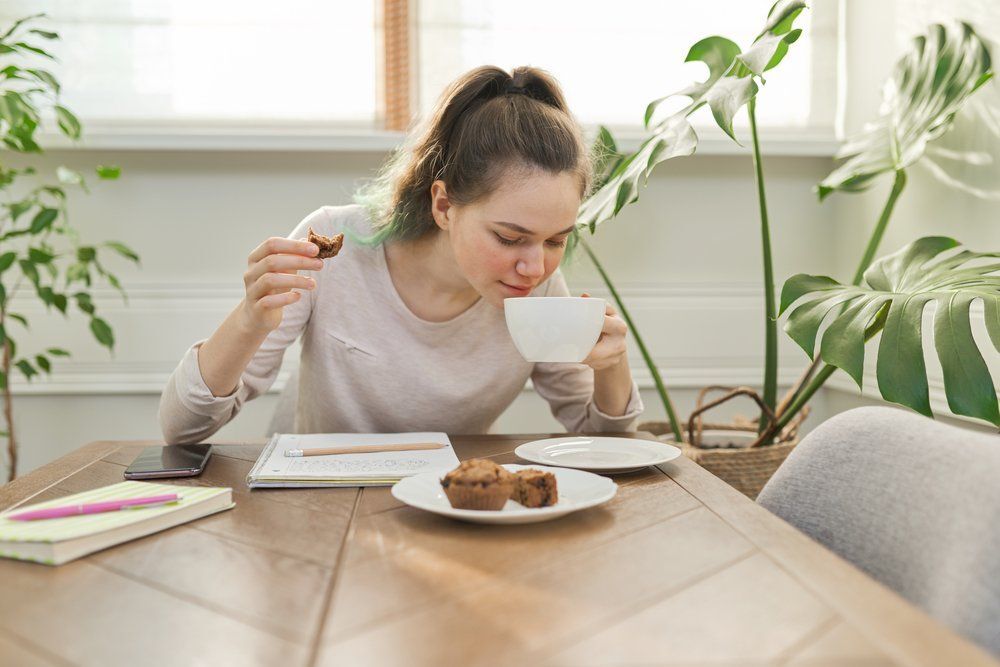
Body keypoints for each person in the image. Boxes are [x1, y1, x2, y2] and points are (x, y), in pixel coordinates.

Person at [159, 65, 643, 443]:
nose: (535, 267)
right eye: (509, 238)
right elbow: (183, 430)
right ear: (444, 204)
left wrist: (611, 366)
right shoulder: (331, 244)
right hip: (314, 511)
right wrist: (248, 320)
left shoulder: (535, 286)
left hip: (451, 513)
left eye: (556, 240)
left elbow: (607, 444)